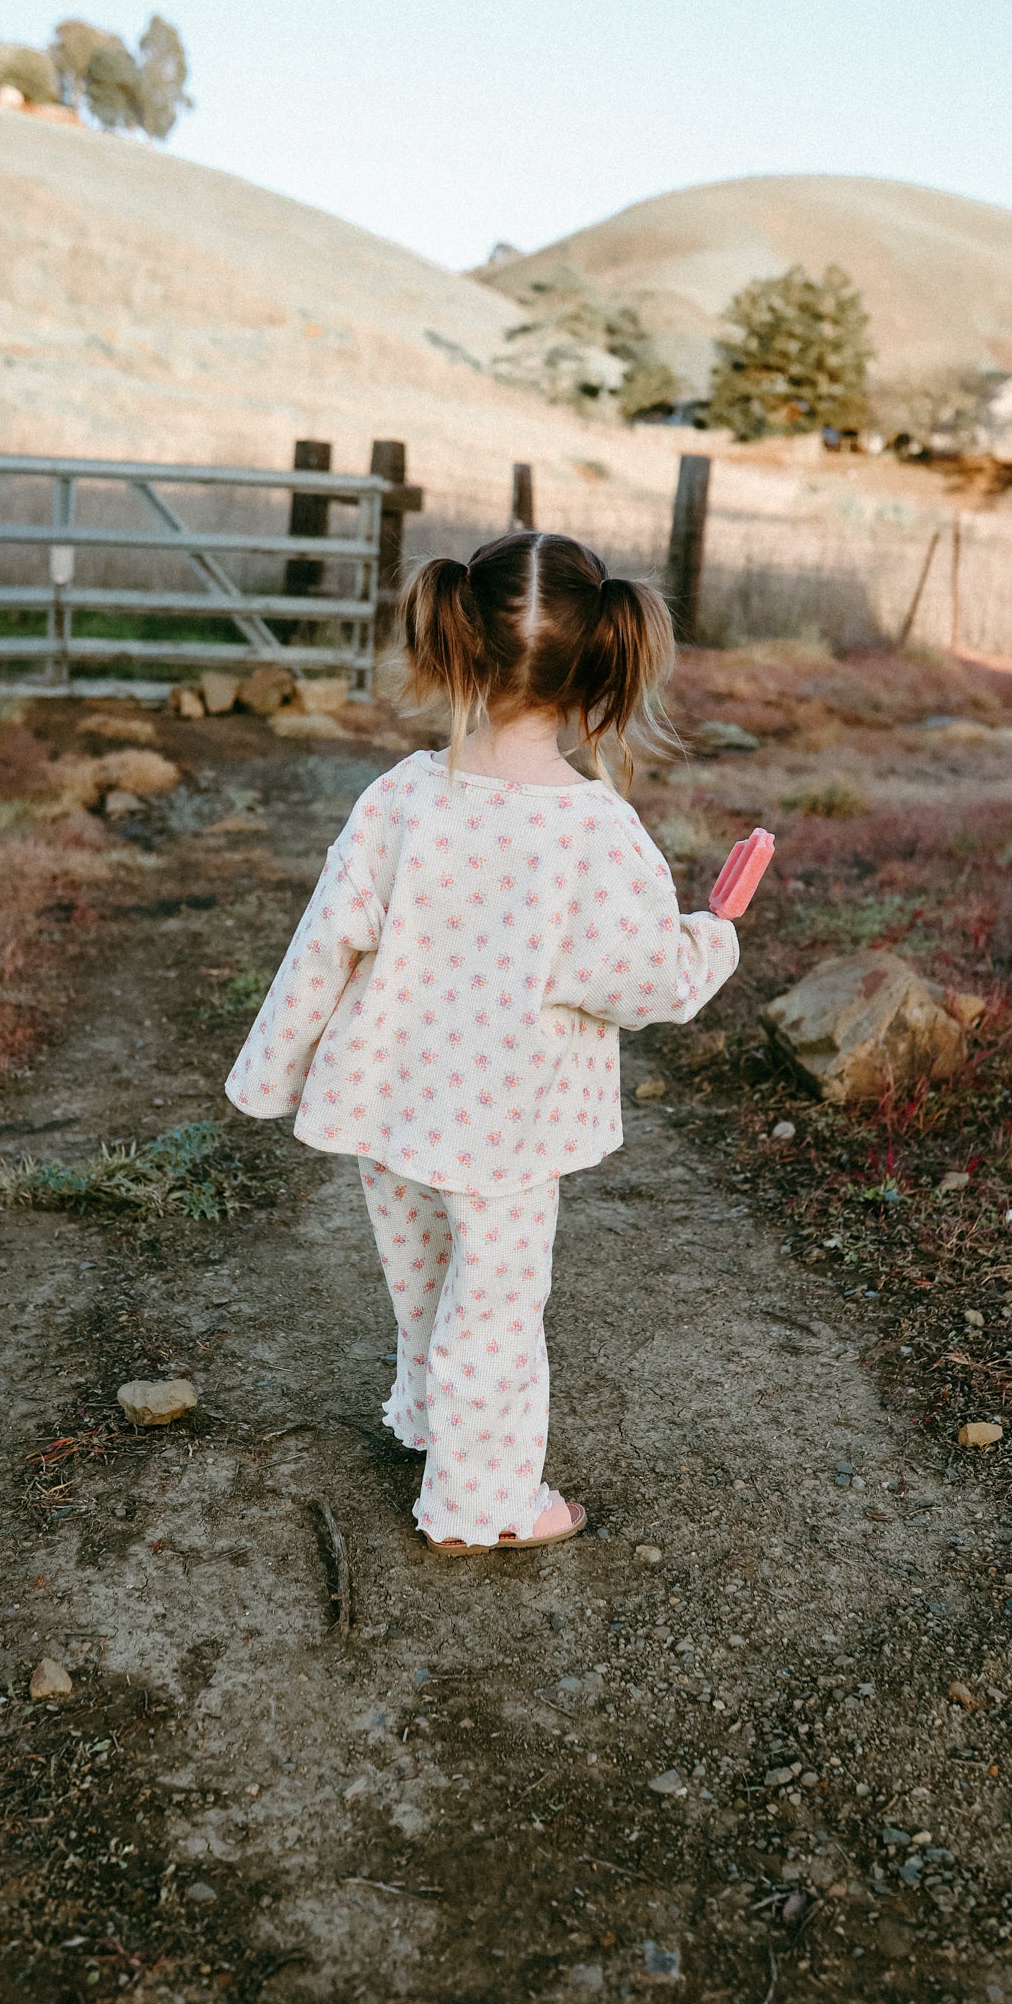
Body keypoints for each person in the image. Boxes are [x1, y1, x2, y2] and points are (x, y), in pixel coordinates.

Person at [226, 531, 739, 1554]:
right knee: (496, 1309)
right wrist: (710, 940)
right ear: (603, 665)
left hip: (391, 1103)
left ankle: (430, 1422)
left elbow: (327, 937)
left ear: (458, 645)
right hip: (507, 1123)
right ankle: (481, 1503)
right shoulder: (594, 829)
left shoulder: (402, 797)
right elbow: (637, 979)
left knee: (425, 1284)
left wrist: (269, 1074)